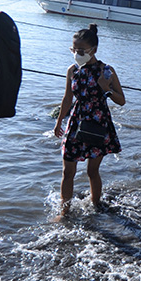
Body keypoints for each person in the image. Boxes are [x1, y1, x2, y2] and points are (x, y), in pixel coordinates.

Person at [53, 23, 124, 220]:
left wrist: (106, 88)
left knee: (92, 171)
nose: (77, 54)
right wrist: (59, 122)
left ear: (94, 50)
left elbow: (121, 100)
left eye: (81, 50)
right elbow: (67, 98)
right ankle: (64, 212)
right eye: (74, 50)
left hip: (98, 122)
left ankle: (96, 206)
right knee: (68, 171)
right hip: (76, 121)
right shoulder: (72, 70)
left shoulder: (106, 71)